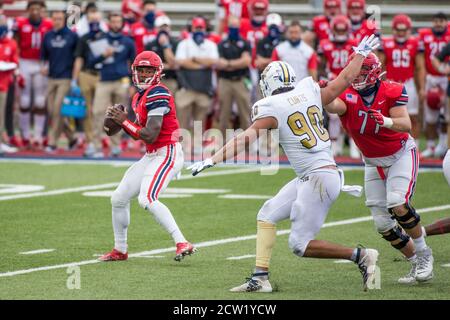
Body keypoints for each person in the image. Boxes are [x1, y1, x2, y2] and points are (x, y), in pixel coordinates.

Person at [189, 35, 381, 292]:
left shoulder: (272, 106)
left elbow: (245, 139)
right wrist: (359, 54)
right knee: (267, 213)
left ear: (268, 84)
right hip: (316, 174)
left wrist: (211, 159)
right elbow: (344, 80)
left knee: (299, 245)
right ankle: (260, 278)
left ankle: (361, 255)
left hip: (318, 178)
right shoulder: (309, 91)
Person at [324, 52, 434, 284]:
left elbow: (406, 125)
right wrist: (323, 92)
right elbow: (334, 106)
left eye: (363, 72)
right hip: (372, 161)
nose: (357, 77)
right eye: (356, 72)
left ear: (374, 73)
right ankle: (414, 261)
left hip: (400, 154)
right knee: (383, 225)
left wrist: (386, 121)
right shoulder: (348, 94)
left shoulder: (391, 90)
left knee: (397, 202)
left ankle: (425, 254)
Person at [99, 51, 196, 262]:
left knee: (147, 198)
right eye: (140, 70)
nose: (143, 75)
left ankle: (182, 242)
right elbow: (116, 131)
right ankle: (120, 249)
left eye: (148, 71)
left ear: (157, 72)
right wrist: (113, 121)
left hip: (167, 151)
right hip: (153, 154)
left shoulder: (158, 92)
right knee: (118, 198)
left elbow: (150, 134)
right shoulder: (138, 97)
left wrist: (124, 121)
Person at [89, 13, 136, 158]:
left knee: (119, 115)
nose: (116, 24)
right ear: (109, 23)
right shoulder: (101, 39)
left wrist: (133, 84)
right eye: (113, 21)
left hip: (122, 81)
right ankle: (96, 145)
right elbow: (90, 62)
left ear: (122, 23)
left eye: (118, 21)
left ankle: (115, 146)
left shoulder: (128, 41)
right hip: (104, 79)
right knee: (97, 111)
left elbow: (134, 64)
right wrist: (104, 56)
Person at [378, 14, 425, 148]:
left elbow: (420, 67)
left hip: (408, 83)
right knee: (389, 117)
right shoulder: (386, 43)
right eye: (398, 29)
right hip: (391, 84)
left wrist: (421, 87)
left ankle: (414, 146)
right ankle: (392, 145)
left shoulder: (415, 43)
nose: (401, 32)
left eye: (404, 30)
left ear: (409, 30)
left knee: (413, 117)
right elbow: (380, 66)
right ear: (393, 29)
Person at [13, 0, 53, 149]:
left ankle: (37, 136)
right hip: (24, 61)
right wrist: (16, 64)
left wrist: (48, 64)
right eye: (32, 9)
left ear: (42, 10)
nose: (35, 12)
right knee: (24, 101)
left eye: (38, 9)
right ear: (28, 10)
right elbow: (15, 43)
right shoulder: (20, 23)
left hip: (41, 63)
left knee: (40, 101)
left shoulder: (48, 25)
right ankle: (24, 135)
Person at [175, 16, 219, 151]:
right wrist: (202, 64)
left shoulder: (210, 44)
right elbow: (181, 62)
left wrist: (194, 59)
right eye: (196, 28)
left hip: (203, 88)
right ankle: (182, 144)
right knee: (183, 118)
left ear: (205, 29)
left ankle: (198, 144)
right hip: (186, 86)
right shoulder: (184, 44)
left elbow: (214, 61)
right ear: (191, 28)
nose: (199, 30)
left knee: (200, 119)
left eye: (201, 28)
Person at [318, 15, 357, 156]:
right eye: (338, 30)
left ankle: (353, 144)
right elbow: (321, 66)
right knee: (334, 116)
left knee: (352, 113)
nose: (340, 33)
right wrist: (325, 77)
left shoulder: (353, 43)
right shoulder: (325, 44)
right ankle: (334, 144)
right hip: (333, 82)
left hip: (349, 83)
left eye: (342, 31)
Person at [41, 11, 78, 152]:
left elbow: (77, 59)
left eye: (60, 19)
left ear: (64, 20)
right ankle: (72, 138)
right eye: (55, 18)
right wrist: (43, 67)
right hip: (51, 77)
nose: (57, 21)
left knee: (57, 109)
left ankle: (52, 142)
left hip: (66, 78)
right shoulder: (48, 36)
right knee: (53, 111)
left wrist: (74, 78)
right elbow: (44, 56)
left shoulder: (72, 36)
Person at [72, 10, 106, 157]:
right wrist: (75, 78)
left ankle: (100, 138)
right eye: (92, 20)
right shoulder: (84, 38)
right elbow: (79, 58)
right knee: (88, 110)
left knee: (100, 110)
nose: (94, 23)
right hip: (86, 74)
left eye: (97, 20)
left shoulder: (106, 36)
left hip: (102, 75)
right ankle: (90, 140)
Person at [419, 12, 450, 158]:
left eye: (442, 21)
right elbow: (422, 58)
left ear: (446, 22)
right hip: (431, 77)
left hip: (446, 78)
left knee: (445, 114)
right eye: (436, 21)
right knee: (430, 115)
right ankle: (431, 146)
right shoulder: (424, 35)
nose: (439, 24)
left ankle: (443, 145)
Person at [216, 15, 252, 136]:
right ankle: (222, 143)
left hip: (240, 81)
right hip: (225, 81)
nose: (233, 28)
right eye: (231, 26)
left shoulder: (245, 43)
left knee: (245, 112)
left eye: (235, 26)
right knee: (224, 114)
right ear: (228, 27)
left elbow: (246, 61)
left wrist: (229, 64)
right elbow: (219, 63)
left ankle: (248, 143)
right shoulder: (222, 43)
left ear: (239, 27)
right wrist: (237, 63)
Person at [145, 15, 178, 95]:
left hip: (170, 80)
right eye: (161, 27)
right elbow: (149, 66)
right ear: (156, 29)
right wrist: (166, 66)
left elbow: (174, 64)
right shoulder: (150, 44)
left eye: (166, 27)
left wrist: (165, 45)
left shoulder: (175, 43)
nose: (163, 30)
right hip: (153, 81)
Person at [0, 14, 18, 155]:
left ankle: (1, 141)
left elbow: (15, 62)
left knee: (1, 114)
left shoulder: (11, 43)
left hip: (3, 84)